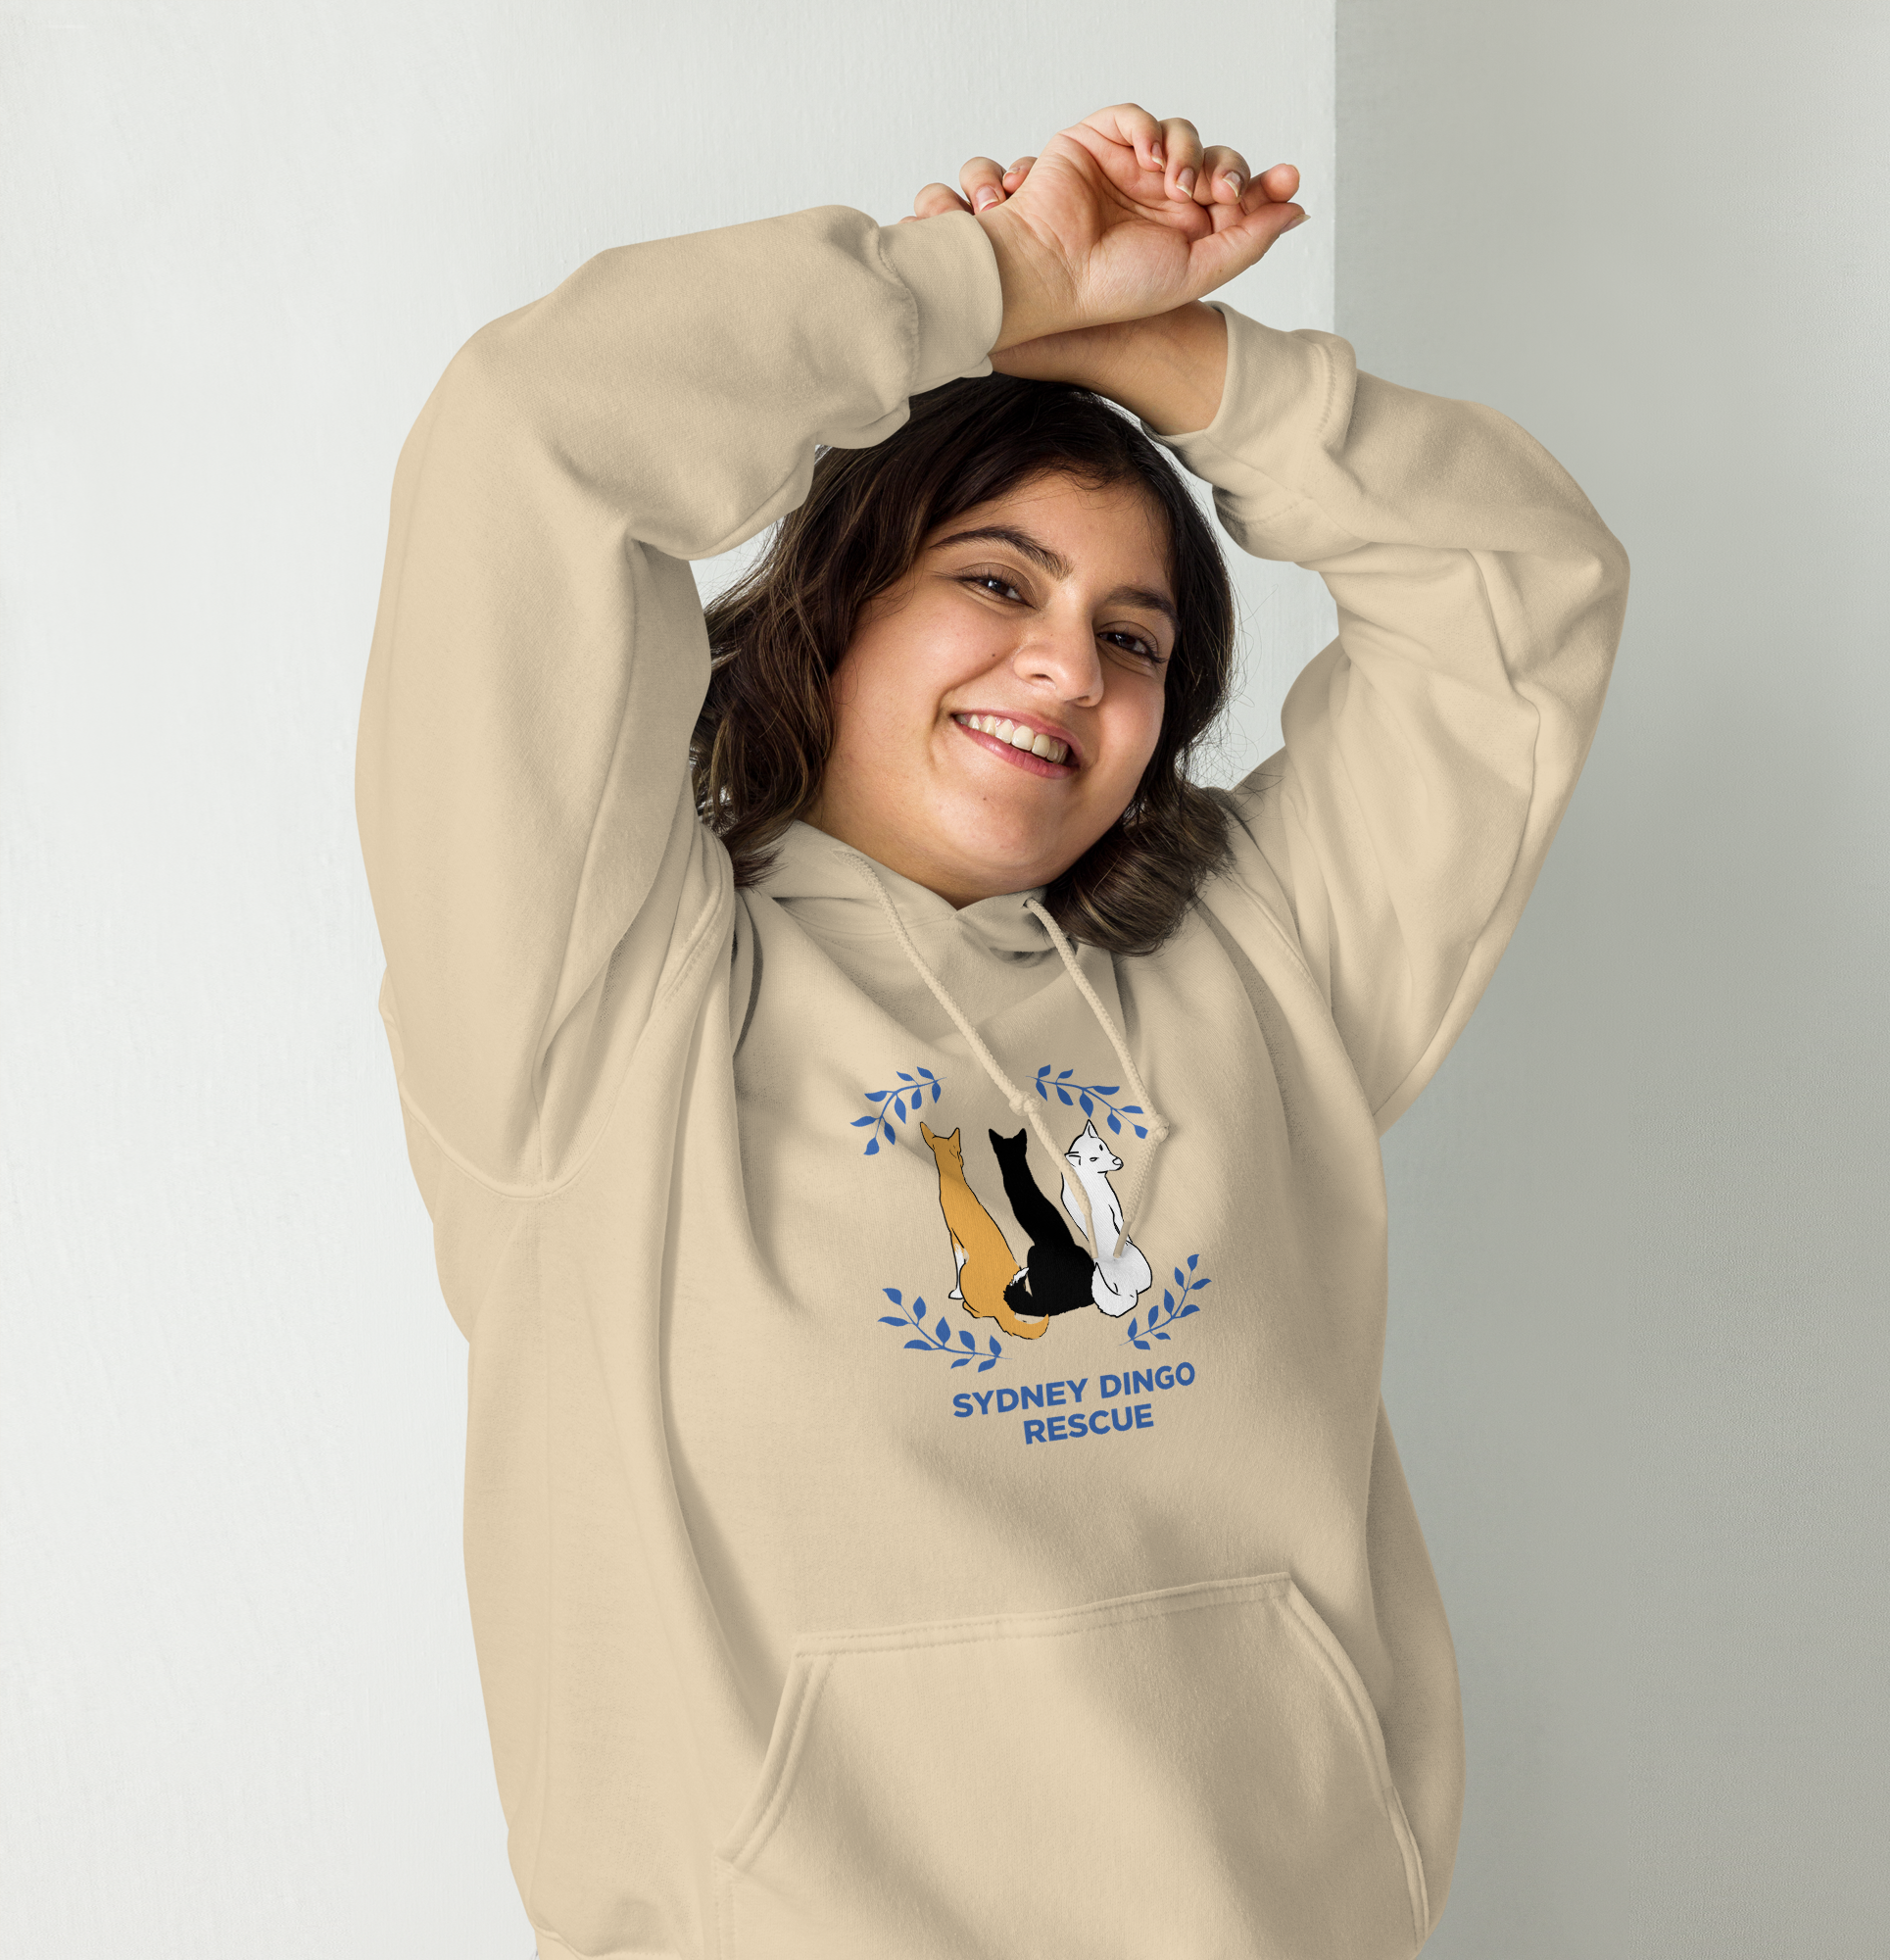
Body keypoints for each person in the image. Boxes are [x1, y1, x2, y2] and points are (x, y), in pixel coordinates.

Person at [356, 101, 1628, 1960]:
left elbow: (1518, 585)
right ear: (839, 610)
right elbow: (533, 438)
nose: (1068, 664)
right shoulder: (595, 1008)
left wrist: (1165, 358)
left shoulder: (1264, 964)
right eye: (996, 580)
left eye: (1137, 636)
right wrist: (988, 284)